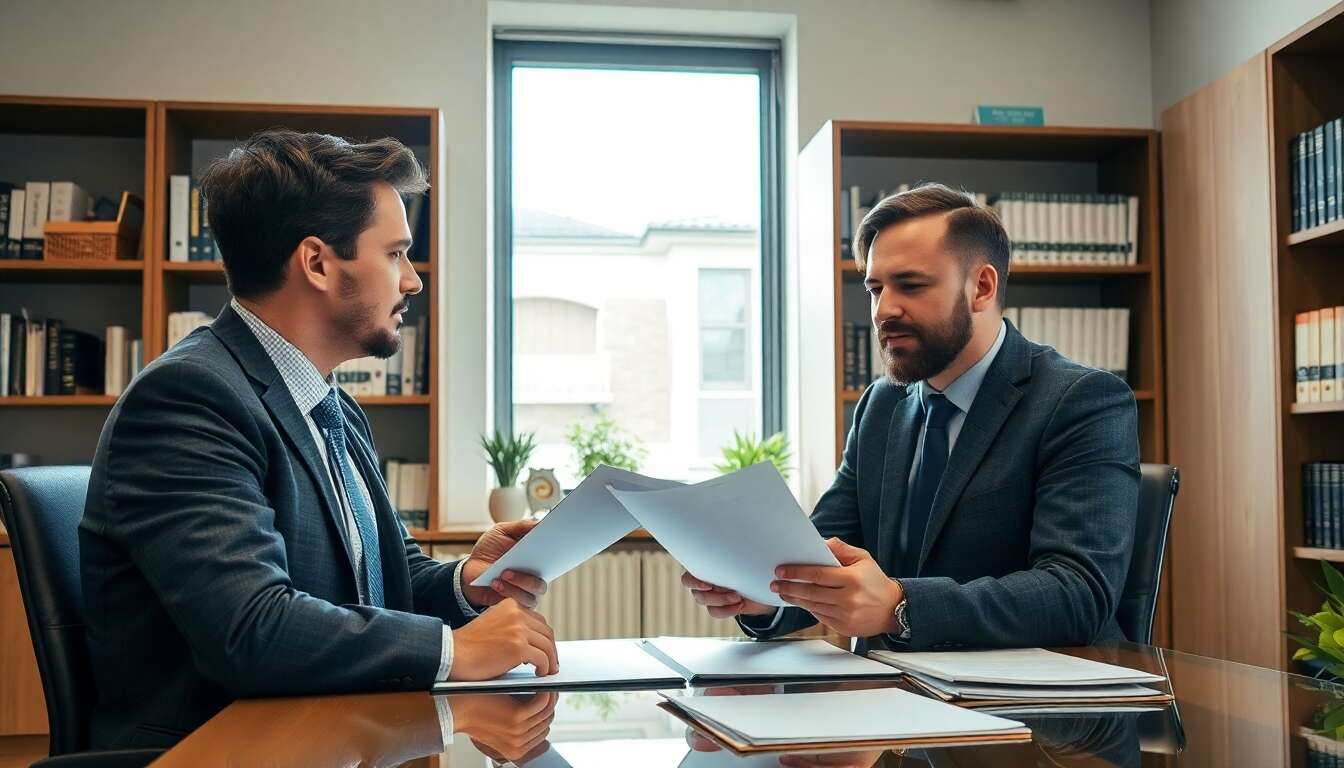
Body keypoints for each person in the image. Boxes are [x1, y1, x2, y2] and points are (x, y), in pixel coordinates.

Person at [80, 129, 557, 749]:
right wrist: (454, 650)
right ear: (317, 263)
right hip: (219, 751)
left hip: (331, 737)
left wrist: (468, 582)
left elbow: (378, 584)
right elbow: (253, 629)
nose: (412, 281)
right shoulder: (189, 398)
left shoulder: (333, 406)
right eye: (395, 254)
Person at [683, 182, 1140, 651]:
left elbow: (1077, 593)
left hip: (1033, 692)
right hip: (890, 684)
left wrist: (899, 607)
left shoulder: (1081, 401)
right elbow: (828, 556)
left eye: (911, 285)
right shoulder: (882, 404)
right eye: (875, 289)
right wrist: (766, 594)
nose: (883, 310)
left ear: (982, 287)